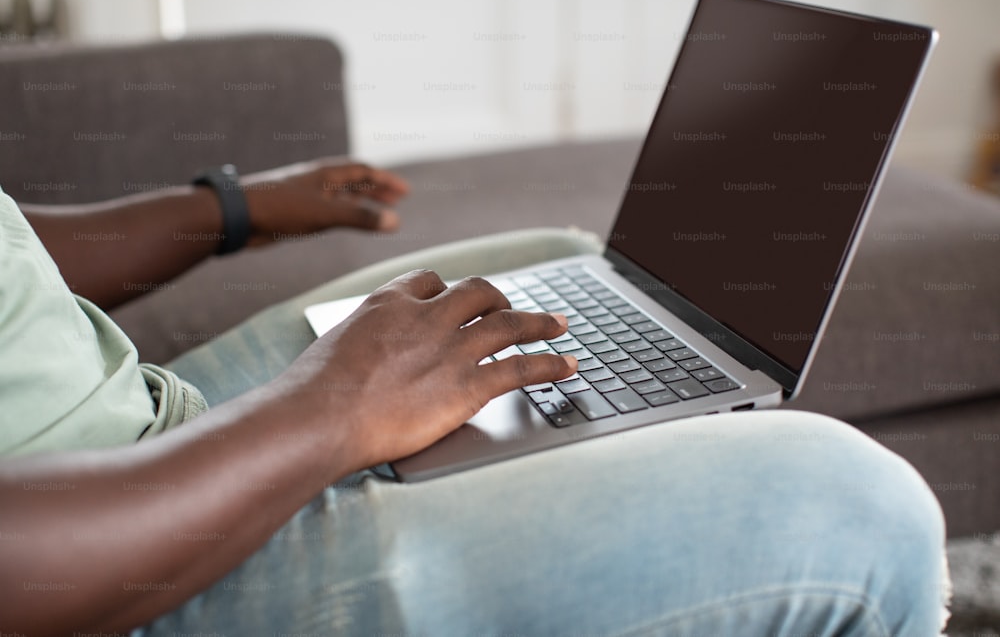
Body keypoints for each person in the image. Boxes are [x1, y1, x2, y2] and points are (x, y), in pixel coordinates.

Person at [0, 157, 949, 636]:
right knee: (862, 511)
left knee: (560, 268)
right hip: (110, 579)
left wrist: (238, 205)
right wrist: (327, 413)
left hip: (131, 437)